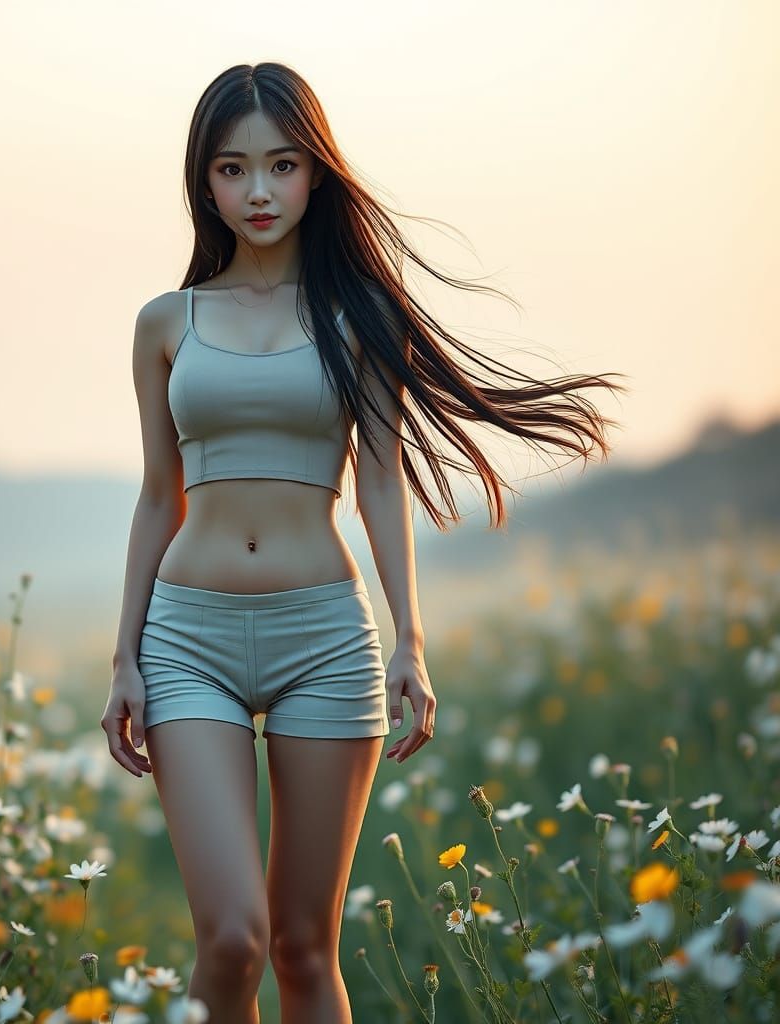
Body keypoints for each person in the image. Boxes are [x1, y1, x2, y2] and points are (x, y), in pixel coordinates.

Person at [101, 62, 626, 1024]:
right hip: (186, 643)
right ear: (203, 181)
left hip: (325, 644)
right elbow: (155, 496)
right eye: (231, 169)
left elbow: (380, 481)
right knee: (231, 939)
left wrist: (410, 641)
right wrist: (124, 656)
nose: (258, 191)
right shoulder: (164, 325)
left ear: (315, 173)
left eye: (282, 165)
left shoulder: (360, 318)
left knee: (303, 947)